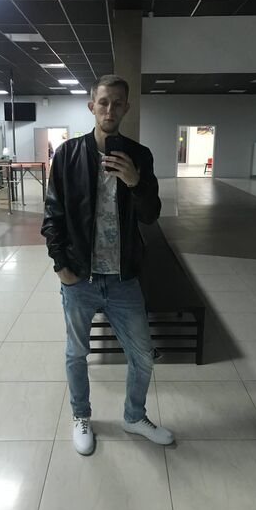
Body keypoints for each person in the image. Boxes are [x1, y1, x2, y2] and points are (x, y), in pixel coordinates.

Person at [41, 74, 174, 455]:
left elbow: (151, 215)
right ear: (92, 106)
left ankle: (134, 416)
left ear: (126, 108)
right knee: (76, 353)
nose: (110, 109)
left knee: (142, 356)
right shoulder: (68, 154)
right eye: (103, 102)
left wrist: (135, 182)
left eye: (117, 103)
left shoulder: (140, 155)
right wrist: (61, 266)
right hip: (79, 278)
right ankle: (81, 416)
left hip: (123, 277)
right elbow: (53, 215)